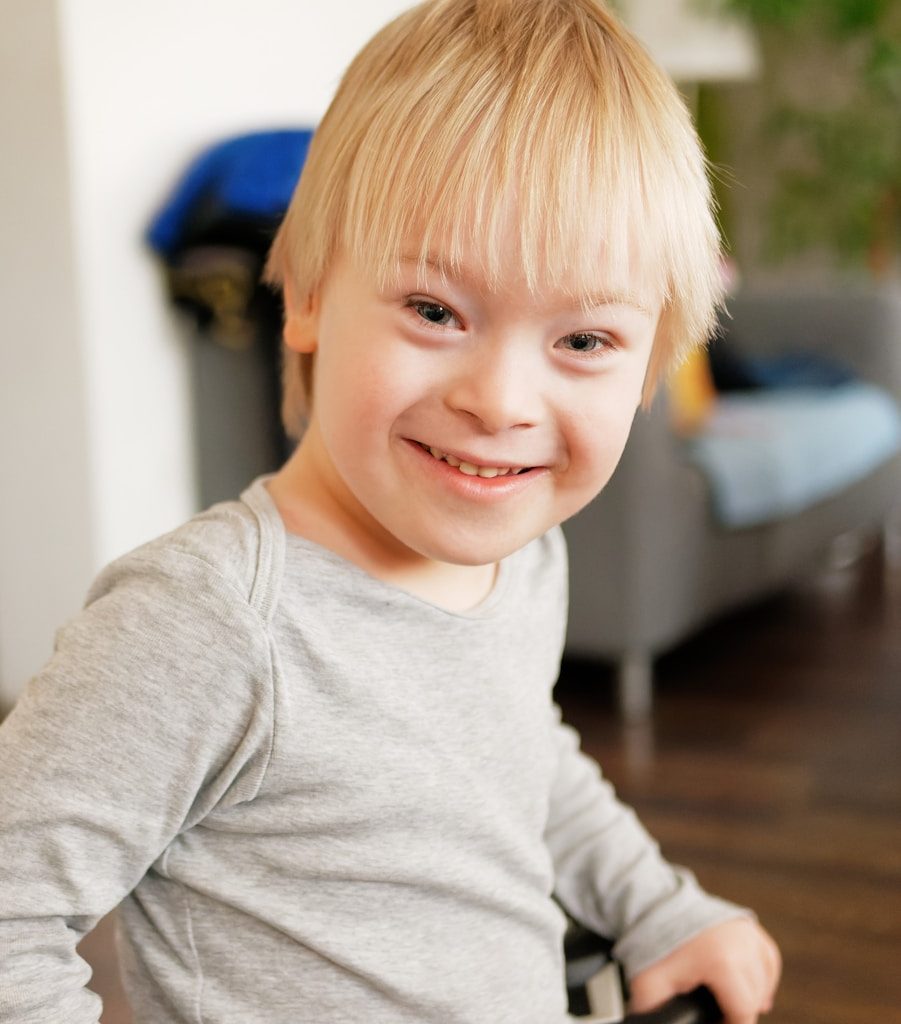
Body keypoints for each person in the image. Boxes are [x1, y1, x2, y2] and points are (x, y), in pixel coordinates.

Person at [0, 1, 781, 1021]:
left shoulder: (527, 554)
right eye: (434, 311)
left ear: (651, 365)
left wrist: (659, 907)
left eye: (583, 340)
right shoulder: (206, 622)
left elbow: (521, 758)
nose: (499, 401)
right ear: (310, 293)